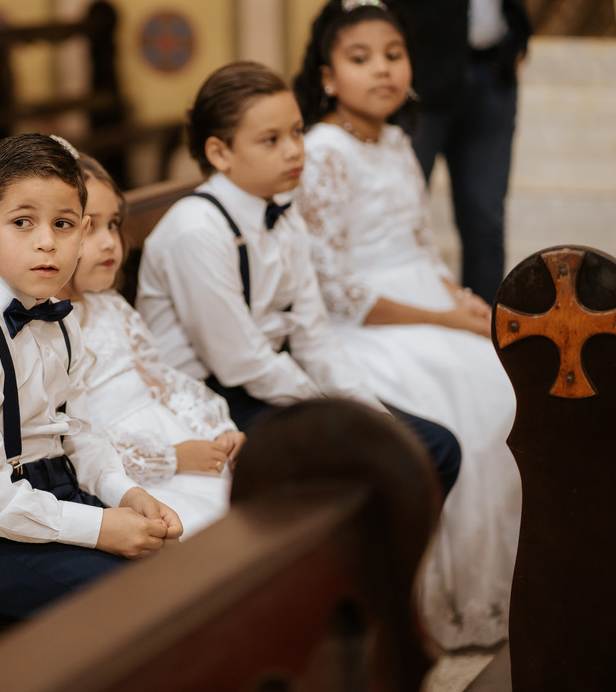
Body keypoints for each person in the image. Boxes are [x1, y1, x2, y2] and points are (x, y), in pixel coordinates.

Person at [291, 0, 519, 649]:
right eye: (361, 58)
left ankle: (515, 578)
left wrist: (460, 298)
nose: (384, 69)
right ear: (329, 77)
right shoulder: (325, 152)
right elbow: (333, 287)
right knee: (472, 406)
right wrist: (442, 320)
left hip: (422, 299)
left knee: (509, 385)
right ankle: (446, 600)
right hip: (367, 326)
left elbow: (419, 242)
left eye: (394, 53)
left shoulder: (395, 140)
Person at [136, 60, 461, 497]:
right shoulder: (197, 230)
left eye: (295, 132)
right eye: (271, 140)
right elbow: (240, 360)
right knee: (374, 470)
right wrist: (327, 409)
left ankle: (382, 563)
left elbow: (314, 336)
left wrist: (369, 409)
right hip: (209, 400)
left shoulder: (284, 215)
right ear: (220, 153)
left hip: (271, 383)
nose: (293, 150)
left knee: (434, 447)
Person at [0, 133, 182, 621]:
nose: (47, 241)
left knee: (182, 572)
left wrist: (124, 494)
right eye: (22, 222)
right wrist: (99, 528)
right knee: (136, 603)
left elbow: (80, 434)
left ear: (84, 230)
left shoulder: (61, 319)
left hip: (48, 495)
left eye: (64, 224)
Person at [341, 0, 531, 304]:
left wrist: (519, 26)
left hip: (492, 73)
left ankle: (490, 344)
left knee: (486, 223)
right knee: (400, 218)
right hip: (417, 82)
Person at [58, 147, 244, 538]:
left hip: (172, 433)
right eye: (91, 227)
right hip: (127, 466)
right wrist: (170, 459)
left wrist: (215, 430)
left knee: (250, 507)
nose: (110, 242)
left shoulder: (110, 307)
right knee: (198, 529)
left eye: (113, 225)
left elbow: (161, 382)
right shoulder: (49, 327)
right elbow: (75, 434)